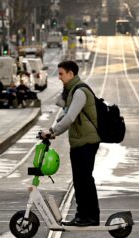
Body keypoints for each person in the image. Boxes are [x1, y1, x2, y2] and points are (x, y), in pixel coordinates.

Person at [42, 60, 100, 227]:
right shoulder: (72, 91)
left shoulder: (80, 91)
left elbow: (69, 118)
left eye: (61, 74)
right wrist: (52, 131)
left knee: (84, 180)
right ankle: (85, 216)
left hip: (86, 142)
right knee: (80, 180)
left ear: (71, 74)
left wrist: (53, 131)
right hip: (79, 141)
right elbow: (64, 116)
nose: (59, 77)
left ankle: (89, 217)